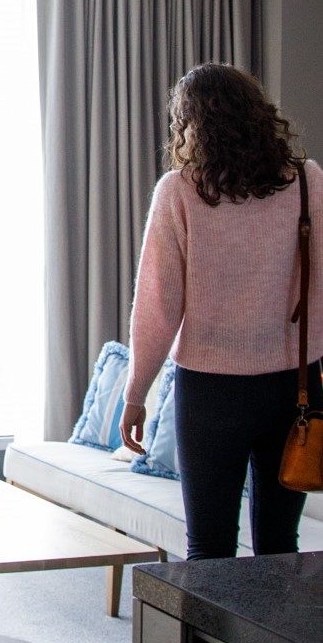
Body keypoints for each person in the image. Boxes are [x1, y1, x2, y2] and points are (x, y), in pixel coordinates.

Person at [119, 63, 323, 560]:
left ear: (193, 123)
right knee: (279, 546)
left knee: (209, 546)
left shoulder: (180, 190)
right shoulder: (305, 180)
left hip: (211, 391)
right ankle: (272, 642)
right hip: (296, 385)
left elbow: (158, 305)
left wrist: (136, 394)